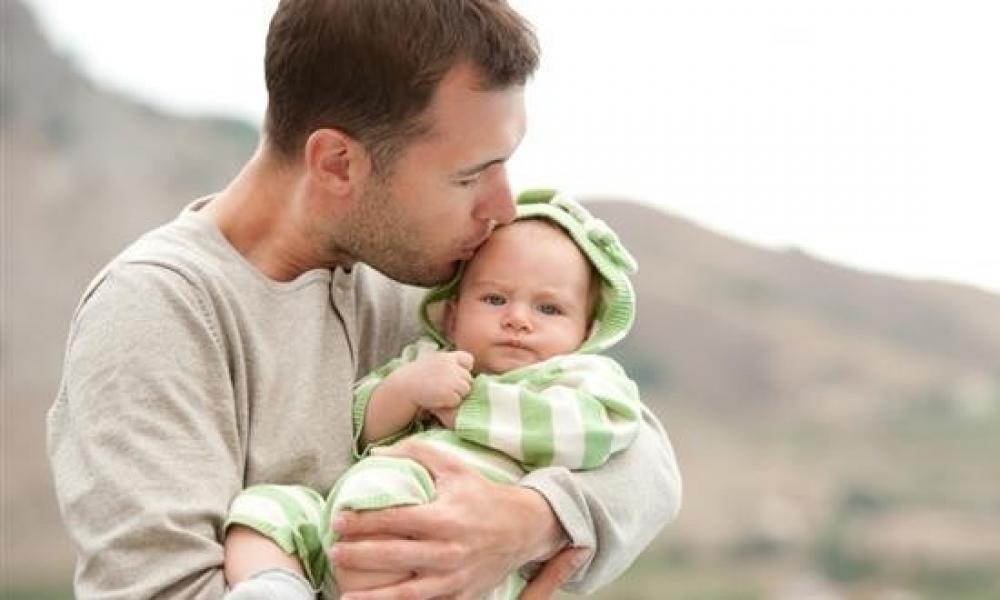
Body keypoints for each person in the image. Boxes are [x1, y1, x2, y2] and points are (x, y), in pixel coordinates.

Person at [47, 1, 683, 599]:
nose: (504, 208)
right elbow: (165, 586)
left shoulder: (432, 275)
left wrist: (525, 521)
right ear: (337, 163)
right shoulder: (155, 312)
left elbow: (645, 459)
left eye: (503, 165)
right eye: (469, 175)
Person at [223, 190, 650, 599]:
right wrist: (404, 390)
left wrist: (467, 406)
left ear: (586, 331)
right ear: (452, 315)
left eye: (549, 308)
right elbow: (356, 428)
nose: (518, 319)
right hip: (342, 528)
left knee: (386, 492)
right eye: (495, 299)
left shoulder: (579, 377)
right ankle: (276, 585)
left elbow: (593, 433)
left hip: (457, 546)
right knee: (263, 509)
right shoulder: (429, 359)